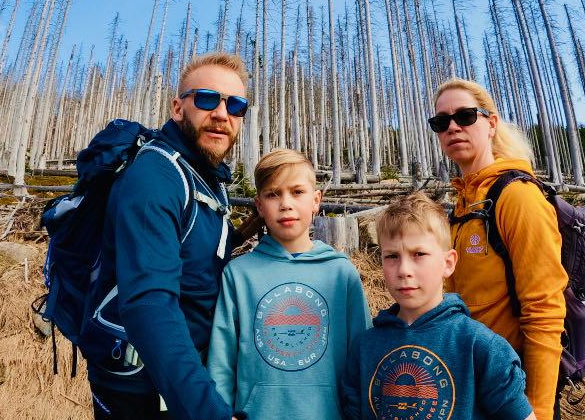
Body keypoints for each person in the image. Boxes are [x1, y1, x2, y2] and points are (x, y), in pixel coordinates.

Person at [87, 52, 251, 420]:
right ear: (178, 108)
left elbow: (201, 261)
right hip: (143, 390)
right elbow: (149, 305)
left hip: (183, 378)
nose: (222, 114)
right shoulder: (155, 178)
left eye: (236, 105)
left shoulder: (206, 175)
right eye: (207, 99)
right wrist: (208, 412)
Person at [431, 78, 566, 420]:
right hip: (468, 388)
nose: (452, 128)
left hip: (513, 395)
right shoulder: (462, 206)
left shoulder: (518, 198)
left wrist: (538, 409)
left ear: (490, 124)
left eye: (464, 116)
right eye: (441, 122)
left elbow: (545, 311)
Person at [340, 191, 535, 420]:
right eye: (392, 256)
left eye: (418, 254)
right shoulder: (364, 348)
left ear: (448, 263)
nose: (404, 270)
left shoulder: (480, 347)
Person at [207, 149, 371, 419]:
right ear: (259, 205)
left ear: (316, 200)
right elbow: (221, 362)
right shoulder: (238, 274)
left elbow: (362, 357)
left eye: (297, 192)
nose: (285, 204)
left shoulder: (341, 273)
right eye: (273, 194)